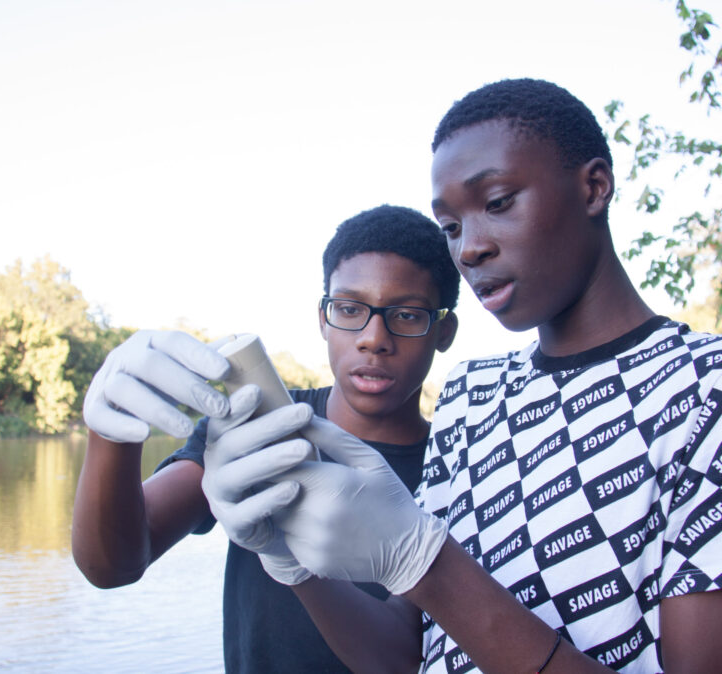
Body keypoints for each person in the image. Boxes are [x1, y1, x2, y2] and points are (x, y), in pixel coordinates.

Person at [197, 78, 722, 673]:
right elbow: (408, 655)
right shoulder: (471, 395)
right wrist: (293, 564)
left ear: (594, 187)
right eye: (451, 227)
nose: (470, 249)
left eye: (499, 202)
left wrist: (430, 567)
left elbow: (438, 582)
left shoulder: (719, 389)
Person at [71, 204, 460, 672]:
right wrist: (111, 432)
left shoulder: (461, 462)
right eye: (350, 309)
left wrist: (292, 564)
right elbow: (112, 567)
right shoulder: (253, 425)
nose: (373, 338)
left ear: (443, 330)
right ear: (323, 317)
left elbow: (406, 659)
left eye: (407, 315)